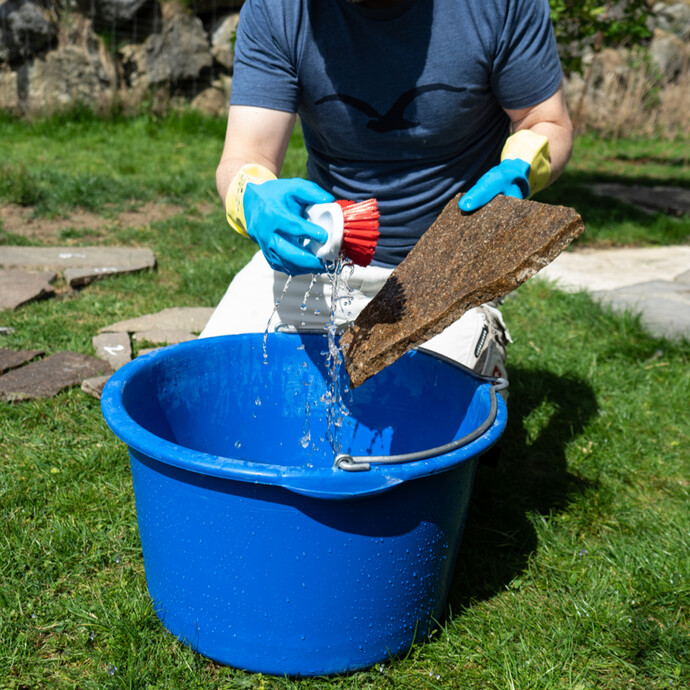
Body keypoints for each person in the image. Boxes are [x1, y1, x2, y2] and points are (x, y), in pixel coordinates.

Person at [201, 0, 573, 381]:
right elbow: (247, 153)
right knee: (214, 382)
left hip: (447, 269)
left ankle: (483, 344)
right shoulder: (277, 8)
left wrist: (521, 168)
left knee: (426, 412)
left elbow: (545, 120)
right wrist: (252, 198)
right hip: (322, 258)